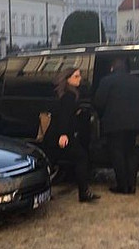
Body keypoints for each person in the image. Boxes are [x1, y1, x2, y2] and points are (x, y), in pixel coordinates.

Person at [42, 67, 100, 203]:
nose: (79, 79)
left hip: (56, 134)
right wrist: (63, 134)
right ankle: (83, 192)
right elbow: (64, 116)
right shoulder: (69, 95)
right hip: (61, 135)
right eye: (76, 76)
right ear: (67, 79)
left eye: (79, 76)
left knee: (50, 163)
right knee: (81, 157)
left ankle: (46, 192)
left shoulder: (68, 94)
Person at [94, 58, 139, 195]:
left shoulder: (106, 81)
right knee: (131, 152)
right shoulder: (138, 81)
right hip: (135, 123)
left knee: (117, 153)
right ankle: (132, 185)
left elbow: (98, 102)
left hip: (115, 123)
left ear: (112, 68)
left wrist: (103, 116)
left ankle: (122, 185)